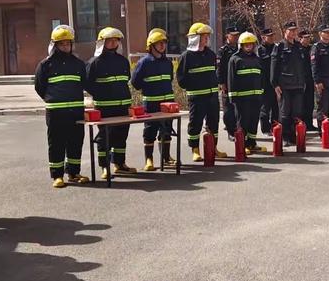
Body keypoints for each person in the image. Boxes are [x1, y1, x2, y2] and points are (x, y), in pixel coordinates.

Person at [34, 25, 88, 188]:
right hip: (56, 112)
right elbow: (39, 87)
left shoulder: (78, 64)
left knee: (75, 142)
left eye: (68, 43)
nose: (65, 46)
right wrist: (52, 99)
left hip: (76, 111)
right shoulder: (45, 65)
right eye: (62, 44)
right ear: (55, 45)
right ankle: (57, 176)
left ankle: (73, 173)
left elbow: (83, 84)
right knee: (56, 143)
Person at [86, 27, 136, 179]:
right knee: (104, 138)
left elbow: (125, 79)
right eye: (110, 40)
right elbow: (87, 84)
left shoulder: (122, 61)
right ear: (103, 42)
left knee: (121, 136)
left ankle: (119, 164)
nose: (114, 43)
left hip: (123, 105)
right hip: (105, 107)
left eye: (116, 40)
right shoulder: (94, 62)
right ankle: (104, 166)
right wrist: (102, 95)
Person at [177, 23, 227, 162]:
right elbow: (181, 79)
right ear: (195, 38)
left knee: (214, 123)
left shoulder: (210, 54)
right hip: (197, 97)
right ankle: (195, 150)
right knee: (195, 123)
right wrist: (194, 87)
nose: (206, 39)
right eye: (204, 37)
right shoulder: (186, 56)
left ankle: (213, 148)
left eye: (207, 37)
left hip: (212, 96)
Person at [131, 29, 176, 171]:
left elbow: (170, 79)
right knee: (150, 131)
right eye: (158, 43)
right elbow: (135, 82)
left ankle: (166, 157)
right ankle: (149, 160)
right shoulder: (144, 62)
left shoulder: (167, 62)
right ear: (151, 45)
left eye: (163, 43)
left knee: (167, 130)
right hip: (151, 104)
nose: (162, 45)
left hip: (168, 103)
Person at [228, 31, 266, 154]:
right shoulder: (235, 59)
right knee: (242, 122)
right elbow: (231, 79)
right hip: (241, 99)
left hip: (256, 97)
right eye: (246, 44)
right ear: (241, 45)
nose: (249, 46)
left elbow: (261, 77)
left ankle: (252, 143)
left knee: (254, 121)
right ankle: (242, 144)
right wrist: (232, 97)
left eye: (251, 44)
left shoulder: (257, 59)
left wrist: (261, 93)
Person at [271, 21, 305, 147]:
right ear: (285, 31)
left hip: (297, 84)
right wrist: (275, 84)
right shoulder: (279, 46)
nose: (293, 33)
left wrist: (303, 81)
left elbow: (303, 66)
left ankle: (293, 136)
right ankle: (284, 137)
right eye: (290, 30)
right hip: (284, 85)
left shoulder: (298, 46)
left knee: (296, 113)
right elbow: (274, 66)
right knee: (285, 113)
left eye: (295, 30)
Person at [310, 24, 329, 139]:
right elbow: (314, 66)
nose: (328, 34)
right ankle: (322, 131)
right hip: (322, 84)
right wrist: (317, 81)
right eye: (326, 32)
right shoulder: (316, 47)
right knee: (323, 108)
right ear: (320, 34)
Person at [217, 26, 240, 141]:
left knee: (238, 108)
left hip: (238, 82)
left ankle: (238, 130)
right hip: (227, 83)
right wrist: (222, 83)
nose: (236, 37)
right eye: (233, 35)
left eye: (237, 35)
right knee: (228, 109)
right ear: (227, 36)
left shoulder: (240, 48)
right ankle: (231, 132)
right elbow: (219, 68)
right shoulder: (223, 50)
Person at [258, 28, 278, 136]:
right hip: (264, 83)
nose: (271, 38)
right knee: (265, 107)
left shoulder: (276, 48)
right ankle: (265, 128)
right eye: (269, 36)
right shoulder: (259, 50)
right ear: (263, 37)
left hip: (275, 83)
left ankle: (275, 127)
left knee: (276, 106)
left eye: (272, 36)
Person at [299, 30, 316, 131]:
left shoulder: (311, 49)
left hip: (310, 78)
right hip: (301, 79)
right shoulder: (298, 49)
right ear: (300, 38)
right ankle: (301, 124)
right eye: (305, 37)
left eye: (308, 37)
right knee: (301, 103)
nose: (307, 39)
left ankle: (309, 123)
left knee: (310, 103)